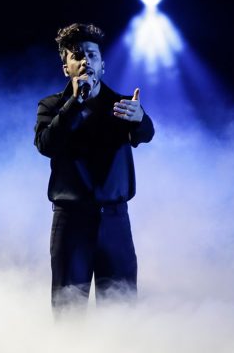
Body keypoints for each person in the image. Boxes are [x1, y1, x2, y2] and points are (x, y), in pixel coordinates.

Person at [34, 23, 154, 313]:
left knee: (121, 309)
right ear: (66, 67)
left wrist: (140, 119)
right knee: (68, 309)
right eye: (77, 55)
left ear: (103, 64)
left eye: (92, 54)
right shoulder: (51, 106)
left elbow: (146, 135)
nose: (86, 60)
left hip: (114, 220)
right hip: (71, 221)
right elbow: (46, 144)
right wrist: (75, 103)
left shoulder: (122, 105)